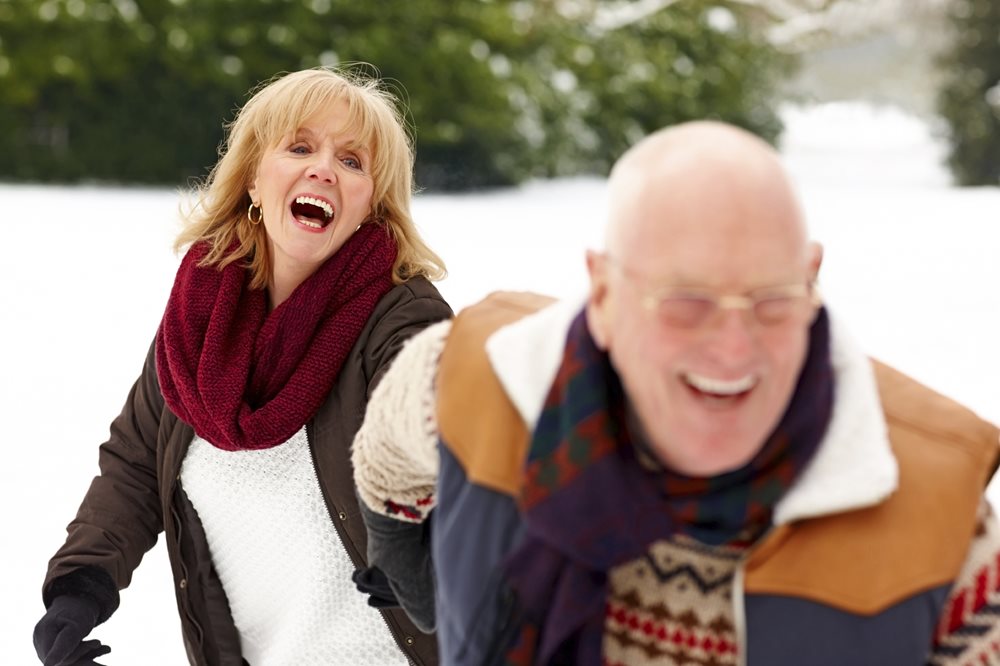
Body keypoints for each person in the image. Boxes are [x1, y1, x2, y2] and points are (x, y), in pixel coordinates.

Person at [350, 121, 1000, 665]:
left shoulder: (941, 523)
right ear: (603, 293)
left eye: (771, 301)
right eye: (687, 302)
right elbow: (385, 455)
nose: (733, 349)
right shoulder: (477, 374)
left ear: (811, 279)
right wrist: (417, 576)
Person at [33, 66, 452, 666]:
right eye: (300, 147)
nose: (324, 169)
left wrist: (425, 540)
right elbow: (133, 464)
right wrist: (78, 590)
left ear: (371, 206)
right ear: (254, 179)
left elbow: (444, 436)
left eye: (353, 162)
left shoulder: (402, 320)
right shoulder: (198, 323)